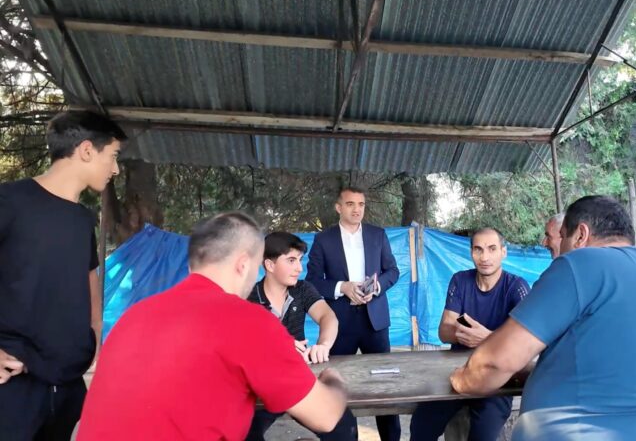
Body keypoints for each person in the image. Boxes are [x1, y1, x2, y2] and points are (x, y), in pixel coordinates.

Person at [449, 195, 636, 440]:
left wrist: (461, 380)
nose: (554, 247)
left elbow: (492, 364)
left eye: (561, 237)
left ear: (580, 235)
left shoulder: (580, 263)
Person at [77, 213, 348, 440]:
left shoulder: (133, 316)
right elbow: (325, 416)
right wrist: (333, 379)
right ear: (244, 264)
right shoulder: (248, 320)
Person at [0, 110, 126, 440]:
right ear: (86, 150)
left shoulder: (82, 220)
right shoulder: (9, 201)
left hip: (67, 387)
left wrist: (94, 339)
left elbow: (89, 284)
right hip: (13, 386)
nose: (115, 169)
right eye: (113, 156)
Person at [410, 228, 530, 441]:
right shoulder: (460, 281)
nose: (485, 257)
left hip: (496, 376)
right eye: (478, 249)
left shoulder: (516, 287)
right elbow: (444, 331)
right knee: (421, 426)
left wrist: (487, 338)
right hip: (458, 371)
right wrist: (464, 335)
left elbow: (525, 342)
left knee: (482, 435)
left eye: (492, 249)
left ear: (503, 252)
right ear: (471, 252)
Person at [306, 186, 401, 441]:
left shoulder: (377, 235)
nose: (357, 209)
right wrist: (342, 287)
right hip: (339, 324)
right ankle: (345, 436)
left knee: (384, 385)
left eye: (361, 204)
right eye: (350, 204)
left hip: (375, 322)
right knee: (337, 384)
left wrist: (377, 287)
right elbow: (312, 281)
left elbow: (393, 271)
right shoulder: (323, 240)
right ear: (339, 207)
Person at [246, 231, 353, 441]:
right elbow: (240, 346)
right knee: (244, 433)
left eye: (300, 260)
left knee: (343, 426)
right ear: (269, 265)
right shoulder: (248, 297)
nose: (299, 268)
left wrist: (323, 344)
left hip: (298, 379)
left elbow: (328, 317)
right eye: (291, 260)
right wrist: (276, 348)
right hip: (262, 386)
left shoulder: (302, 289)